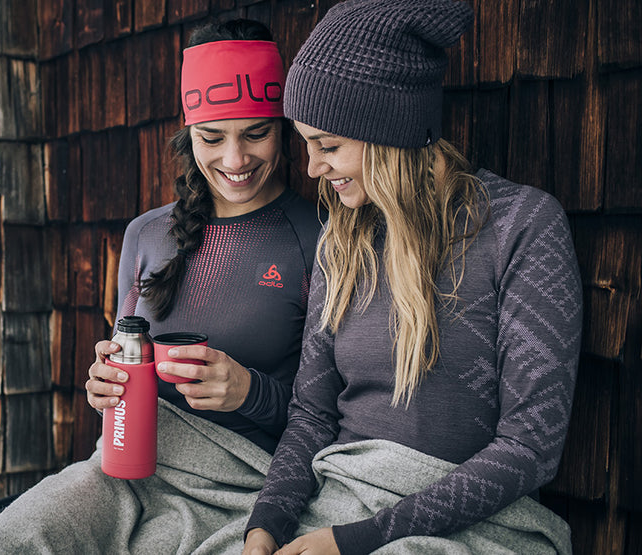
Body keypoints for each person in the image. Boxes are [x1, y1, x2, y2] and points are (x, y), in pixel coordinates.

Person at [242, 1, 583, 554]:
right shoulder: (343, 240)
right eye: (306, 143)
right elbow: (312, 413)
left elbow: (530, 446)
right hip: (342, 499)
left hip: (477, 523)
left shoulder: (523, 226)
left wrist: (360, 540)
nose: (312, 169)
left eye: (329, 146)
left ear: (390, 132)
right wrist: (266, 526)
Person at [0, 19, 320, 554]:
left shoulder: (317, 240)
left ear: (284, 127)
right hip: (128, 466)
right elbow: (124, 363)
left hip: (250, 483)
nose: (235, 160)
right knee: (16, 537)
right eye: (212, 137)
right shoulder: (146, 234)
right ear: (188, 132)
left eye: (256, 133)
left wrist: (249, 393)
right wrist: (104, 386)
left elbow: (331, 414)